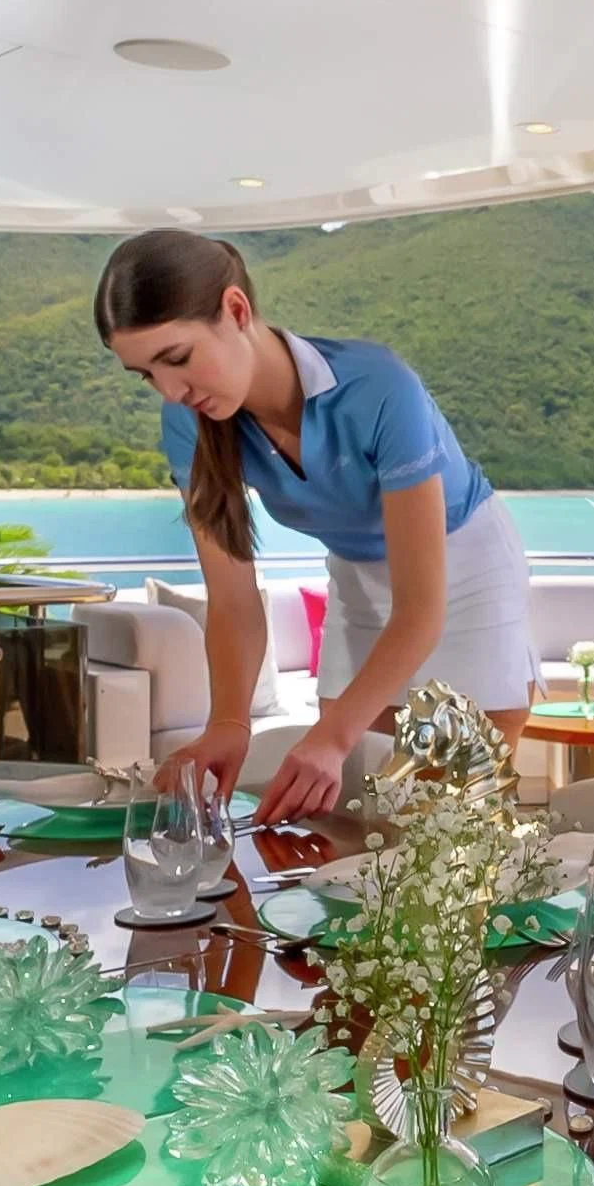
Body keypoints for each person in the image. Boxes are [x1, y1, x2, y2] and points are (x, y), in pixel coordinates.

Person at [97, 230, 531, 819]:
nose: (171, 391)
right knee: (356, 803)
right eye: (146, 374)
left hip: (465, 571)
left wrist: (330, 736)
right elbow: (233, 602)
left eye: (177, 359)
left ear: (236, 310)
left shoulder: (378, 387)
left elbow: (420, 610)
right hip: (357, 574)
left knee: (456, 812)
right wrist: (229, 725)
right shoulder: (186, 423)